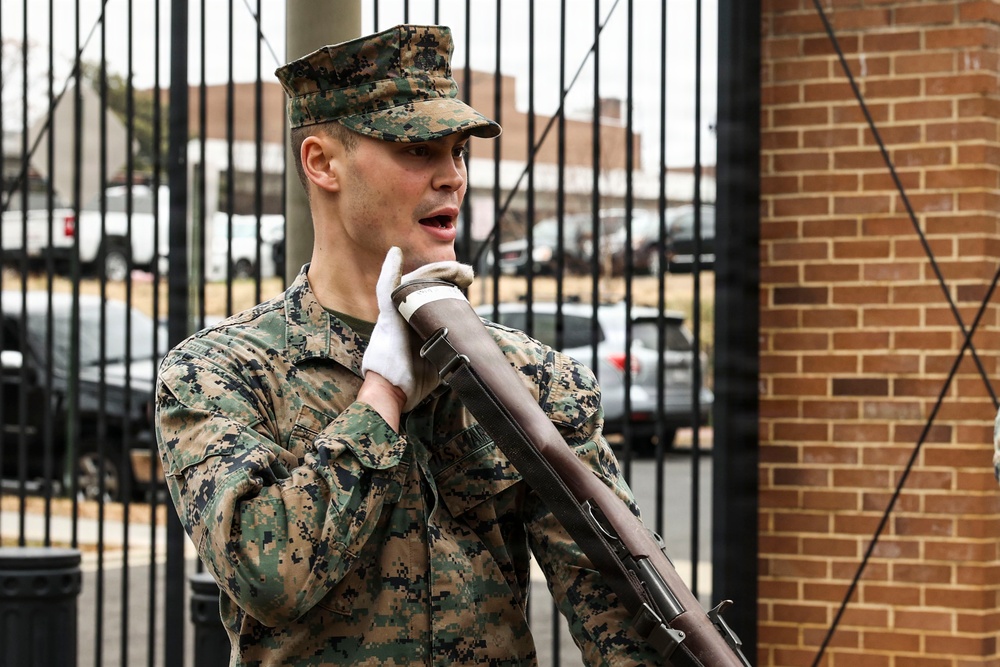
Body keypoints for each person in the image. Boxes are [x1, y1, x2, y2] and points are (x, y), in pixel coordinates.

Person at [155, 24, 663, 666]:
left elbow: (625, 610)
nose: (451, 177)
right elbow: (267, 575)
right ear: (321, 162)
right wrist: (382, 397)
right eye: (418, 150)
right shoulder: (222, 373)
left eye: (458, 152)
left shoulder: (531, 376)